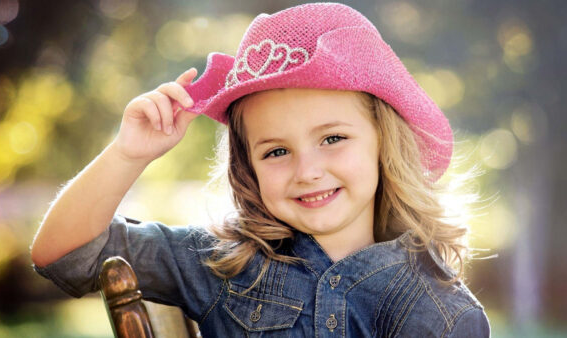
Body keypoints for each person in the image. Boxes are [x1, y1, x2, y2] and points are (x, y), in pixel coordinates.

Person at [30, 2, 491, 337]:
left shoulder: (442, 314)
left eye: (332, 139)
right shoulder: (220, 264)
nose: (307, 171)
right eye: (276, 152)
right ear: (248, 167)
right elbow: (64, 256)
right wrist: (128, 154)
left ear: (382, 145)